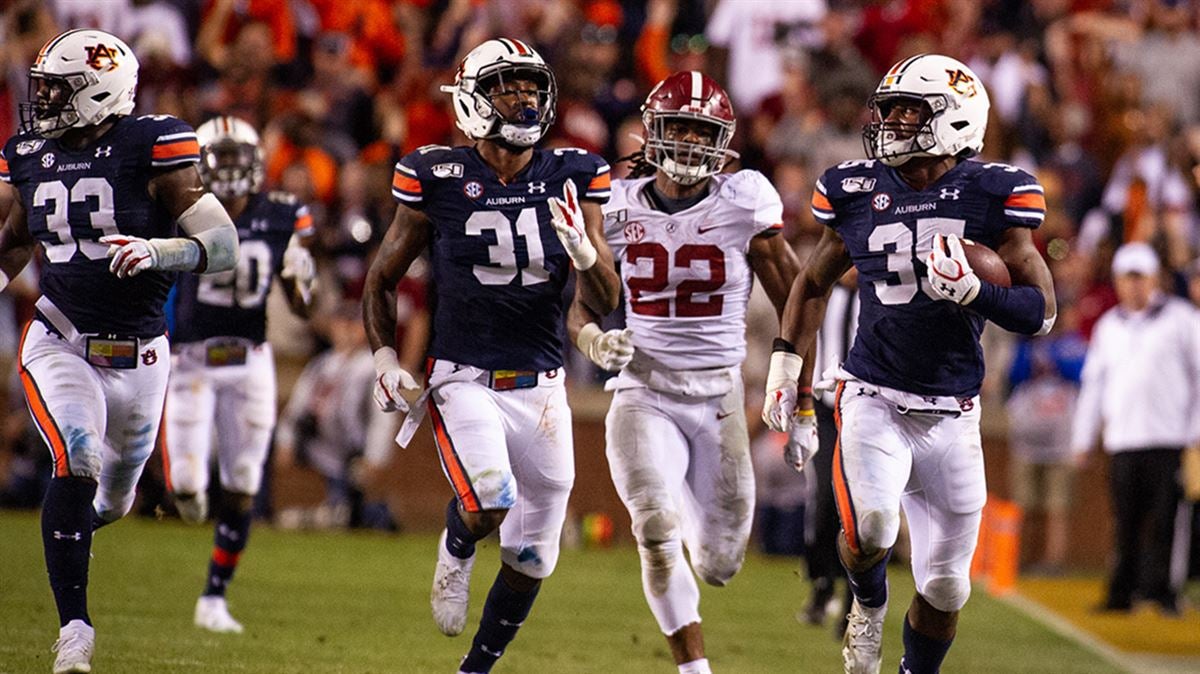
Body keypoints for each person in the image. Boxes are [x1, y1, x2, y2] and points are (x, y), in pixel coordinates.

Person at [761, 54, 1056, 674]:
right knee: (870, 526)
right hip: (873, 395)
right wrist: (786, 365)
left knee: (949, 589)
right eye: (889, 108)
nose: (890, 121)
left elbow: (1042, 312)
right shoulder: (858, 189)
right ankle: (866, 605)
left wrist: (979, 295)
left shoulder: (995, 192)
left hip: (954, 415)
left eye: (908, 111)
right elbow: (813, 282)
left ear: (954, 120)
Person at [361, 38, 619, 674]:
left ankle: (476, 667)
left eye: (531, 87)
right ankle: (456, 547)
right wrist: (386, 359)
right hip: (464, 379)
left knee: (535, 557)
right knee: (487, 499)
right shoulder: (437, 174)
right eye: (508, 86)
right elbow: (381, 277)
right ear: (475, 97)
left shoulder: (573, 174)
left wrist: (584, 255)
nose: (524, 98)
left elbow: (607, 296)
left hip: (543, 388)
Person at [0, 29, 238, 673]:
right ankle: (74, 626)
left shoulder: (150, 143)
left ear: (101, 90)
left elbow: (223, 245)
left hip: (142, 356)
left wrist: (161, 251)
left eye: (58, 88)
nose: (43, 99)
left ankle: (71, 537)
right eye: (43, 85)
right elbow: (15, 239)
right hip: (61, 337)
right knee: (76, 457)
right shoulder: (30, 152)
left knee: (115, 499)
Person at [566, 71, 803, 674]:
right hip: (643, 391)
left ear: (723, 139)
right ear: (654, 131)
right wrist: (592, 338)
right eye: (683, 127)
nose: (694, 143)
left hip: (719, 398)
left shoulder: (744, 199)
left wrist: (797, 391)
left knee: (720, 564)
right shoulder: (615, 203)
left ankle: (688, 533)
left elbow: (799, 296)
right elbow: (583, 304)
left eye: (705, 130)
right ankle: (694, 669)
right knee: (653, 525)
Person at [164, 114, 316, 634]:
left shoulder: (282, 215)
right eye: (219, 159)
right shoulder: (182, 211)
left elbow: (303, 306)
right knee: (186, 488)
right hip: (193, 362)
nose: (229, 172)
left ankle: (213, 597)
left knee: (245, 482)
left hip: (250, 359)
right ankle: (187, 496)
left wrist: (301, 280)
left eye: (237, 159)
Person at [1071, 242, 1200, 615]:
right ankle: (1121, 592)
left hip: (1169, 436)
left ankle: (1164, 591)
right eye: (1127, 279)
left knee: (1167, 521)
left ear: (1154, 279)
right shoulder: (1109, 325)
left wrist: (1194, 431)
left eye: (1140, 278)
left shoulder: (1182, 319)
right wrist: (1083, 436)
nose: (1134, 286)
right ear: (1117, 281)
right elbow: (1094, 385)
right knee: (1124, 520)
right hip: (1124, 438)